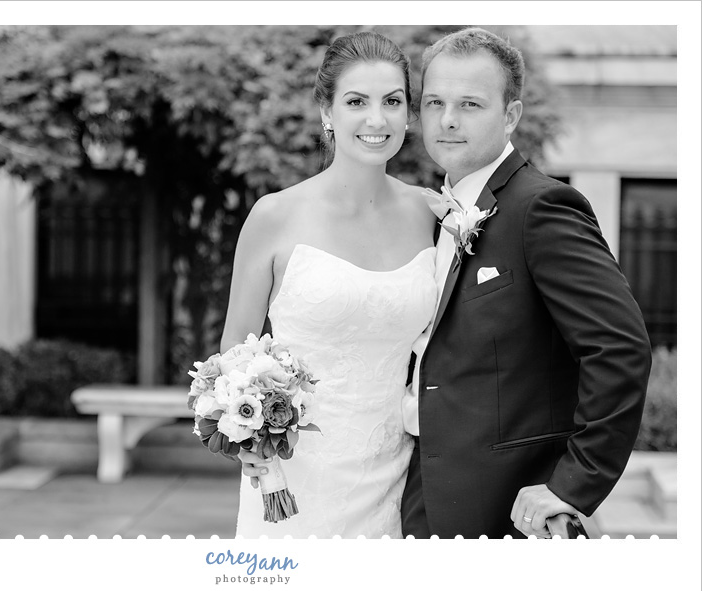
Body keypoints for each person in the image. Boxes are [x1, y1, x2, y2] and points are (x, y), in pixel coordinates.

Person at [400, 27, 652, 539]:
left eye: (470, 104)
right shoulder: (428, 214)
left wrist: (572, 485)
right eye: (434, 102)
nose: (447, 120)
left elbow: (619, 348)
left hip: (507, 511)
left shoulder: (542, 207)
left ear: (510, 115)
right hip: (416, 489)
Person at [220, 31, 437, 538]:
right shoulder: (274, 216)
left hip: (397, 480)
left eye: (392, 101)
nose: (376, 119)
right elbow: (234, 348)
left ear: (408, 113)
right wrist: (243, 436)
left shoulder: (431, 213)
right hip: (292, 479)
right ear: (327, 111)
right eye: (356, 101)